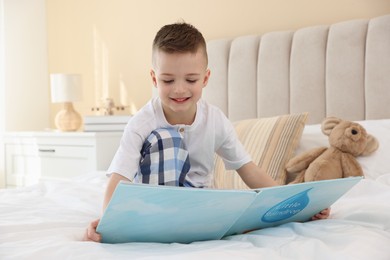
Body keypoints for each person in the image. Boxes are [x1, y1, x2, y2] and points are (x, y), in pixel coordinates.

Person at [84, 22, 330, 242]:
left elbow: (249, 170)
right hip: (153, 204)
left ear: (205, 78)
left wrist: (294, 207)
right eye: (168, 80)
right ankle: (169, 228)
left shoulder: (216, 120)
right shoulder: (141, 122)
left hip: (200, 204)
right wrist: (107, 222)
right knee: (166, 140)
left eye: (191, 80)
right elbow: (119, 177)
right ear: (154, 78)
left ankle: (214, 226)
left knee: (242, 206)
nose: (179, 89)